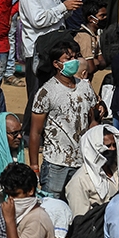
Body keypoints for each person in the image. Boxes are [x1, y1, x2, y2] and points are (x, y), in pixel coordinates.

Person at [29, 41, 99, 199]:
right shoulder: (46, 92)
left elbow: (92, 116)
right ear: (56, 64)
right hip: (55, 162)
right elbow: (35, 132)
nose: (73, 62)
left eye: (75, 57)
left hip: (82, 161)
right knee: (51, 206)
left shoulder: (85, 87)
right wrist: (34, 165)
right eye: (68, 59)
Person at [66, 125, 119, 216]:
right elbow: (80, 219)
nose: (112, 149)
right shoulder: (79, 181)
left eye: (114, 145)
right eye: (107, 146)